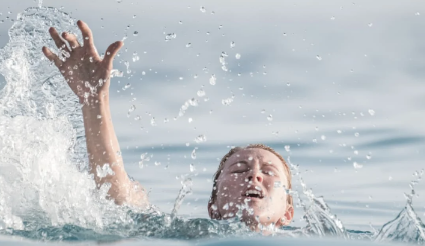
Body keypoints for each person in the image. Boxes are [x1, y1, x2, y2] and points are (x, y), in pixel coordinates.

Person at [42, 20, 294, 231]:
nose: (254, 175)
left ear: (287, 213)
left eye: (269, 172)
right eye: (239, 170)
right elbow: (119, 200)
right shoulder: (191, 236)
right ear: (213, 208)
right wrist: (94, 100)